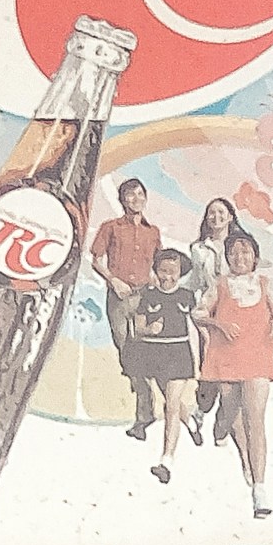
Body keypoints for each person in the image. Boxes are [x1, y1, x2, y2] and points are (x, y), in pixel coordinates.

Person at [197, 214, 273, 517]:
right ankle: (221, 429)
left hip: (257, 355)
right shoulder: (219, 285)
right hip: (227, 357)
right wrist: (217, 322)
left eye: (245, 251)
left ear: (255, 257)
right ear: (227, 258)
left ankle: (260, 488)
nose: (239, 256)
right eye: (234, 252)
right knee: (229, 410)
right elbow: (198, 314)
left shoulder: (265, 284)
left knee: (254, 419)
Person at [122, 243, 204, 483]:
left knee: (171, 406)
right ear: (156, 270)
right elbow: (137, 329)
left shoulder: (187, 297)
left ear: (181, 273)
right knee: (171, 402)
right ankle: (190, 423)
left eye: (173, 272)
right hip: (153, 354)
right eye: (163, 270)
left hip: (178, 353)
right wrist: (150, 328)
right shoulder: (148, 296)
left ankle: (166, 460)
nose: (167, 276)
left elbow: (196, 330)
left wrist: (199, 363)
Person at [94, 170, 165, 442]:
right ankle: (145, 404)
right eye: (130, 194)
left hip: (144, 297)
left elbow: (161, 264)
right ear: (122, 199)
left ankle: (144, 416)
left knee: (142, 352)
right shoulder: (111, 227)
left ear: (145, 198)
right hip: (119, 296)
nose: (135, 198)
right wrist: (113, 281)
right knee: (126, 352)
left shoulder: (153, 231)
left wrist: (160, 288)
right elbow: (96, 259)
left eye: (139, 194)